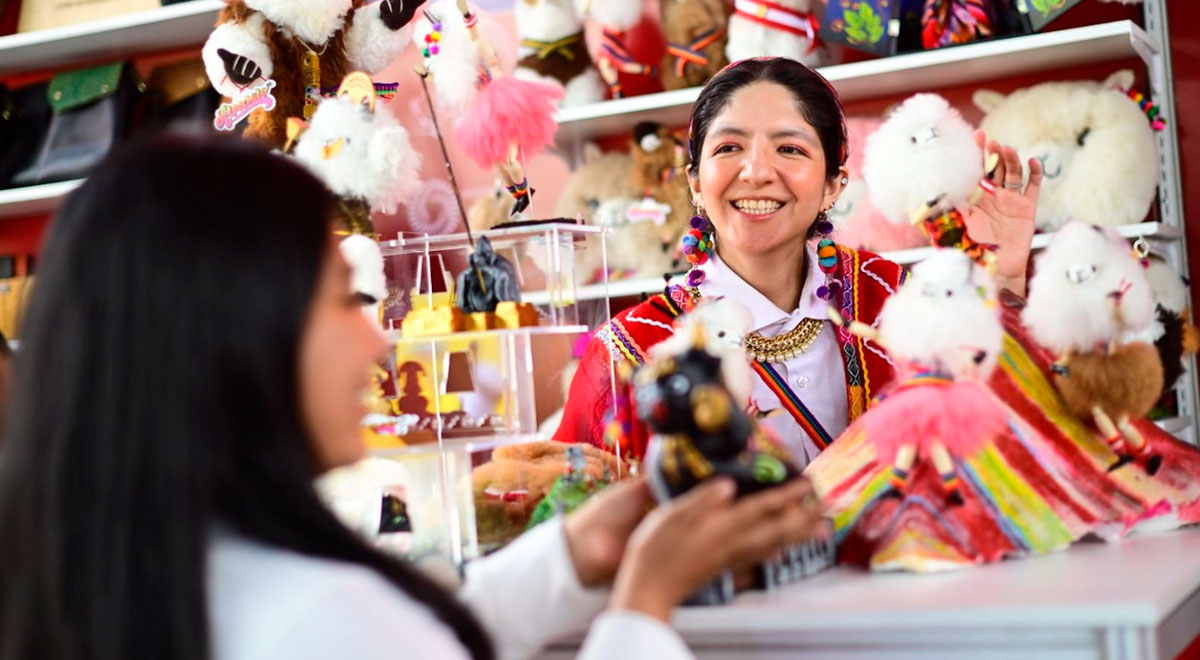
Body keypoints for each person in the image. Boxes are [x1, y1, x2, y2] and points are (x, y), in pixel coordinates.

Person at [0, 131, 825, 660]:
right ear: (237, 333)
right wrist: (645, 600)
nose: (381, 339)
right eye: (340, 300)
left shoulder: (119, 580)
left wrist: (577, 555)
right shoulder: (314, 615)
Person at [555, 57, 1045, 464]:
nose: (757, 171)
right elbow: (575, 513)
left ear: (834, 185)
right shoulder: (629, 354)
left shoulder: (896, 302)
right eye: (729, 147)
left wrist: (1001, 282)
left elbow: (1008, 449)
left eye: (789, 148)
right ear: (695, 183)